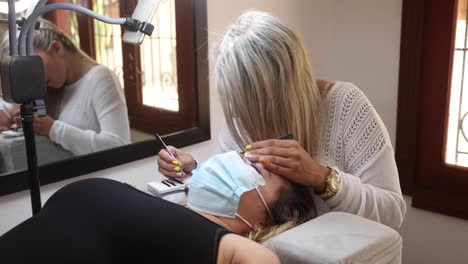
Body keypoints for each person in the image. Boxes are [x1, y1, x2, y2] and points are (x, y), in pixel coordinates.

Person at [157, 11, 406, 230]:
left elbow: (392, 213)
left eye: (256, 102)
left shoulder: (346, 105)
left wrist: (322, 178)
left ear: (286, 85)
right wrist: (195, 169)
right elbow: (235, 194)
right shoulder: (242, 113)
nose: (243, 117)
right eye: (240, 104)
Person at [0, 151, 315, 263]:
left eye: (258, 171)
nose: (236, 161)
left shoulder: (236, 248)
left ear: (261, 222)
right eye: (244, 157)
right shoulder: (144, 204)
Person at [0, 18, 130, 155]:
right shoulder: (53, 87)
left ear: (56, 48)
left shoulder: (101, 79)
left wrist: (53, 129)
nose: (34, 77)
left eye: (34, 66)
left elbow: (120, 147)